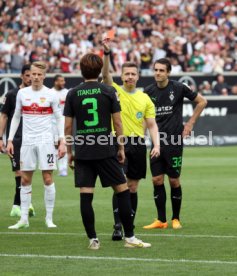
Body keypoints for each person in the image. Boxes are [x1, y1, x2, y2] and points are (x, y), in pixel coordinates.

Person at [64, 53, 151, 250]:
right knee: (122, 190)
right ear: (98, 70)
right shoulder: (108, 91)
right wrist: (120, 147)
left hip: (84, 151)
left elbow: (68, 128)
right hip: (105, 149)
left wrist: (70, 151)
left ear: (81, 70)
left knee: (86, 195)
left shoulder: (73, 93)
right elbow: (118, 122)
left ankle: (93, 240)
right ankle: (130, 237)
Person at [102, 38, 160, 240]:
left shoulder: (145, 98)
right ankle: (117, 225)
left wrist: (157, 144)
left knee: (133, 187)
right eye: (126, 74)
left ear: (138, 76)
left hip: (137, 145)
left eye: (133, 74)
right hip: (118, 143)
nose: (130, 77)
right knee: (121, 184)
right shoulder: (114, 90)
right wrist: (107, 54)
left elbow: (152, 125)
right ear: (122, 75)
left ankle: (129, 224)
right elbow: (105, 74)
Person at [143, 58, 207, 230]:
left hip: (174, 141)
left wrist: (190, 123)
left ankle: (176, 218)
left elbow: (202, 102)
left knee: (173, 181)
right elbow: (143, 116)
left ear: (168, 72)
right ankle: (161, 220)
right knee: (156, 179)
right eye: (156, 70)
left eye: (161, 70)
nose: (158, 73)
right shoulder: (148, 91)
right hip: (156, 142)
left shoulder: (178, 88)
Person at [7, 61, 66, 229]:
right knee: (25, 179)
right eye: (33, 74)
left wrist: (61, 140)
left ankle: (49, 218)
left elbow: (59, 117)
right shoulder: (22, 94)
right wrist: (10, 140)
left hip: (46, 142)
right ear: (29, 75)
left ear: (44, 76)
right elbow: (16, 116)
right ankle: (23, 219)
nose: (36, 77)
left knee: (47, 178)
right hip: (27, 142)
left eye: (39, 74)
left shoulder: (51, 94)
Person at [0, 64, 35, 218]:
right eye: (27, 75)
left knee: (28, 172)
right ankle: (19, 205)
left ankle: (21, 203)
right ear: (21, 76)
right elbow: (4, 116)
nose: (30, 78)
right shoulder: (12, 94)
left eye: (32, 75)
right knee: (19, 172)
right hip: (16, 140)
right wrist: (1, 138)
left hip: (33, 138)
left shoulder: (36, 94)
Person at [51, 74, 69, 176]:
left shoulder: (67, 93)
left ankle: (63, 169)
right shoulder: (50, 93)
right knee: (54, 145)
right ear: (55, 82)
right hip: (52, 123)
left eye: (63, 80)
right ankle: (54, 165)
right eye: (61, 81)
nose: (63, 82)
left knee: (64, 143)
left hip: (64, 122)